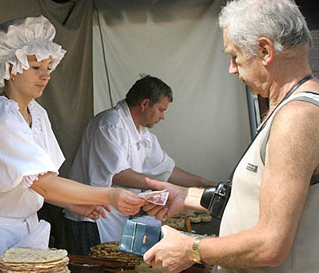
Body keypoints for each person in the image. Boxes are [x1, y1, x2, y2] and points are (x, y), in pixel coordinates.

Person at [142, 0, 319, 273]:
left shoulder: (297, 120)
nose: (232, 69)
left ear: (266, 51)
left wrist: (189, 249)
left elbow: (271, 243)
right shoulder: (299, 108)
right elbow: (262, 199)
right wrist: (186, 197)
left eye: (236, 57)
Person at [0, 16, 144, 273]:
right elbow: (43, 184)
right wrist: (110, 194)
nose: (45, 75)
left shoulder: (37, 114)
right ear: (10, 68)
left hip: (23, 230)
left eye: (48, 67)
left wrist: (72, 202)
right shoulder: (0, 117)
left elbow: (36, 181)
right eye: (34, 67)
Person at [63, 75, 215, 254]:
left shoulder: (144, 134)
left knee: (120, 269)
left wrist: (205, 184)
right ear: (145, 103)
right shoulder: (110, 124)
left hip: (119, 215)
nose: (163, 116)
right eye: (160, 109)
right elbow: (118, 174)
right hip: (92, 216)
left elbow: (166, 170)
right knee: (98, 272)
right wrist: (165, 187)